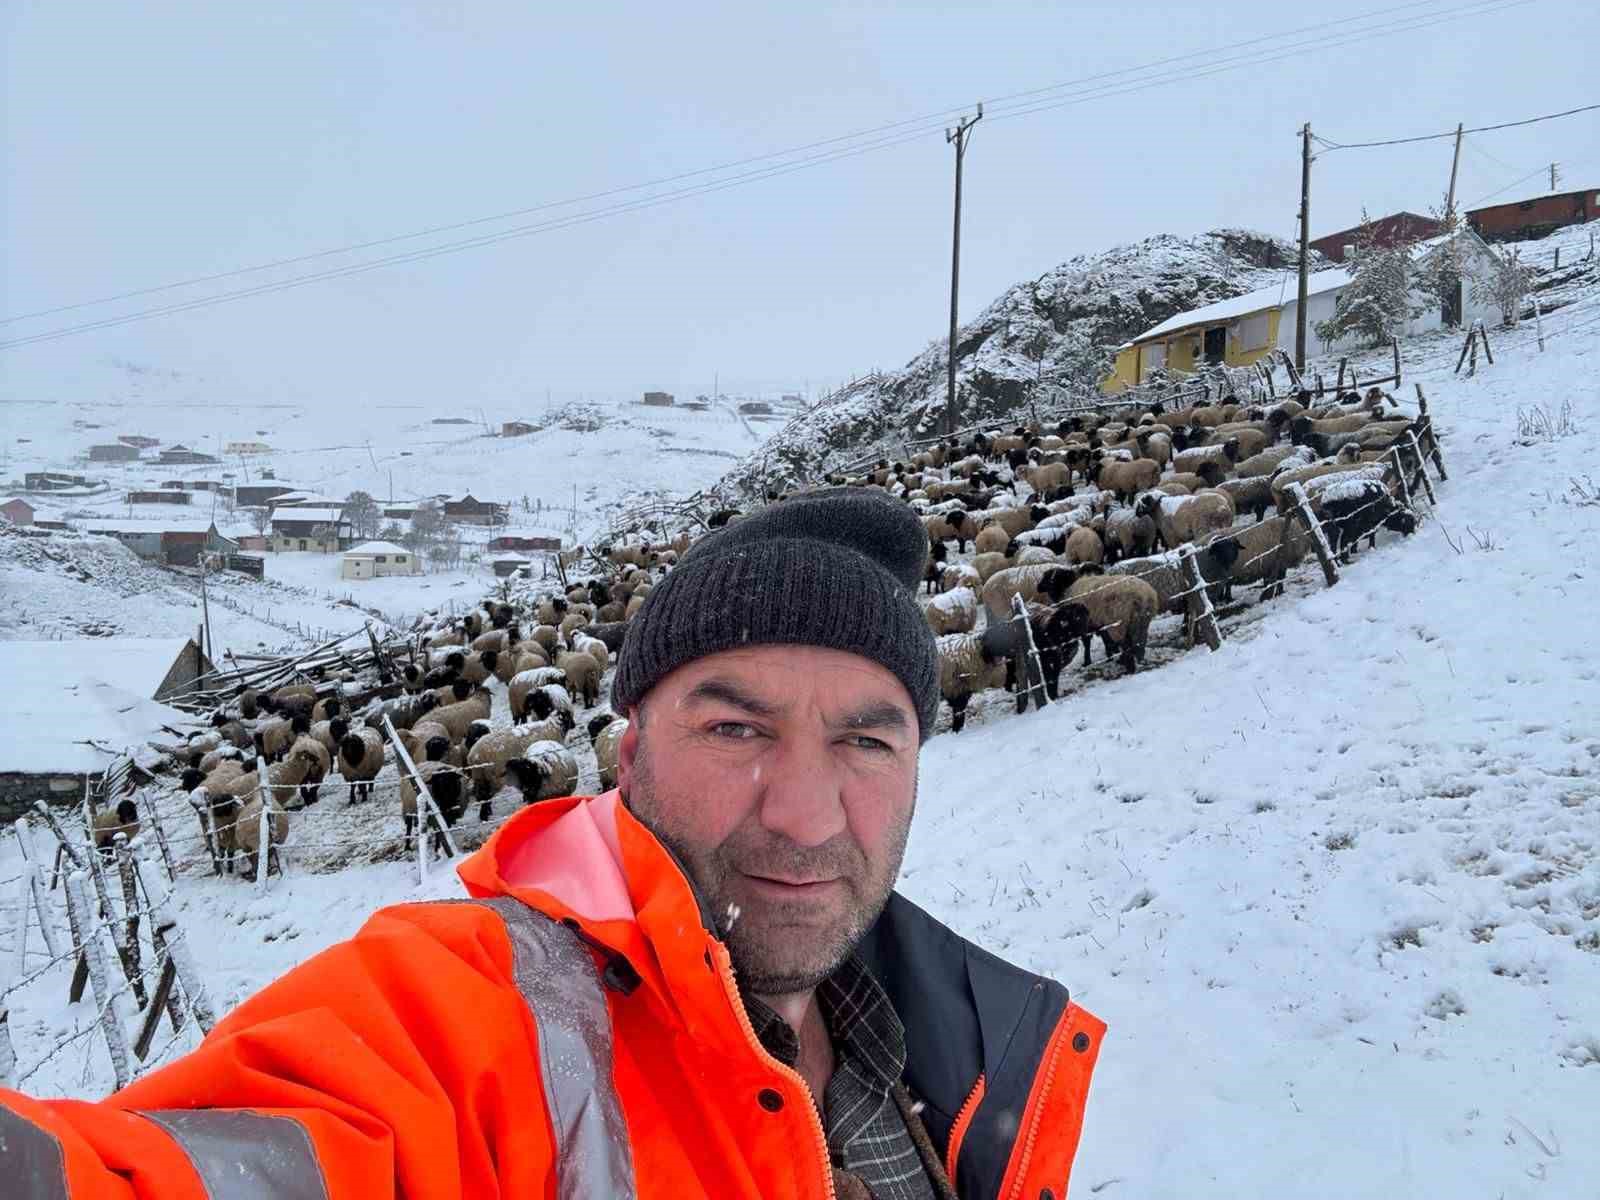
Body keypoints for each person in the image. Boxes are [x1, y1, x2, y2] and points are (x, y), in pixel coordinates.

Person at [1, 488, 1103, 1199]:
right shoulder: (478, 1013)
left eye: (866, 739)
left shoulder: (964, 1054)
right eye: (734, 728)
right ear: (626, 757)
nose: (805, 814)